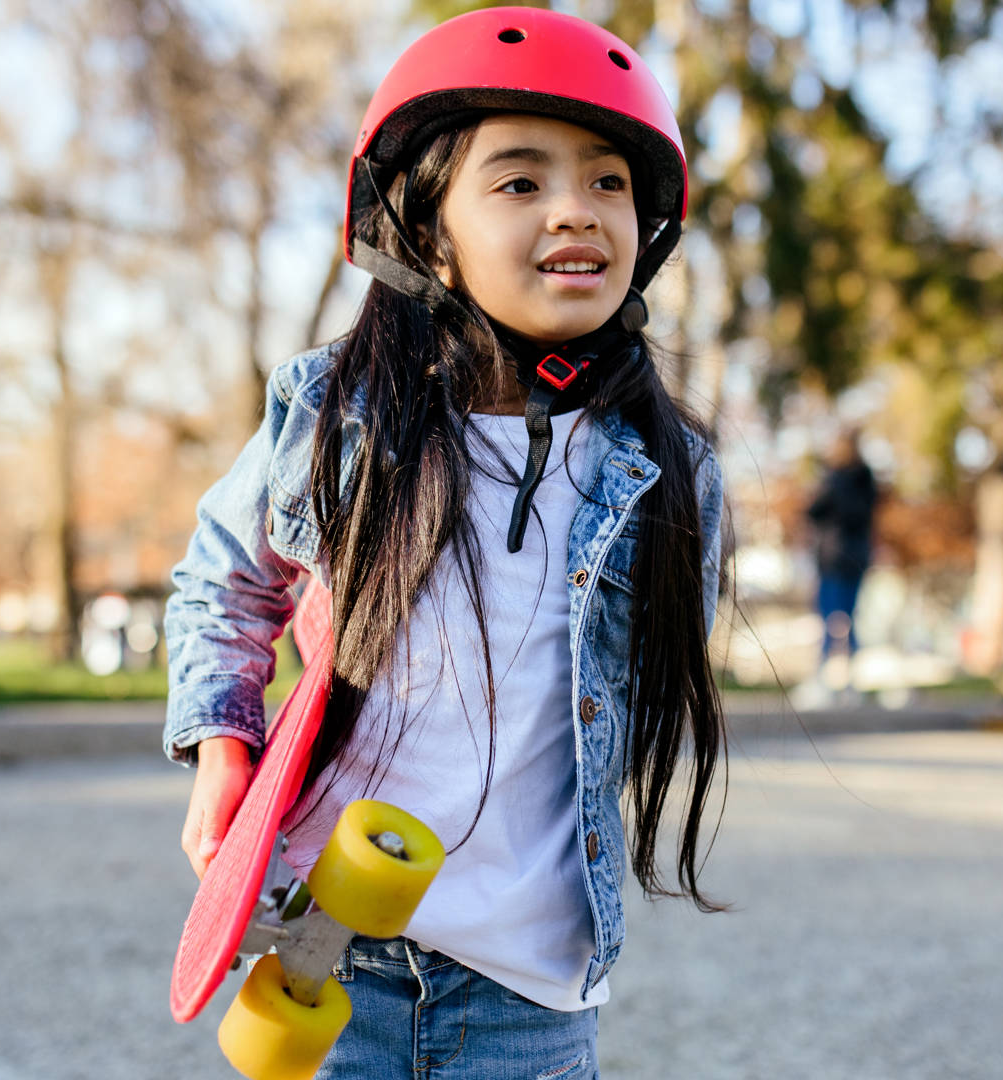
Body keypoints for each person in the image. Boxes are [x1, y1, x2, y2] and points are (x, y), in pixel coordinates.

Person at [161, 9, 727, 1077]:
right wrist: (223, 753)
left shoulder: (667, 470)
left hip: (528, 977)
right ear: (423, 231)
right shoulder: (335, 412)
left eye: (610, 182)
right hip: (328, 937)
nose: (577, 210)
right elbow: (223, 585)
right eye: (519, 182)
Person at [807, 428, 878, 664]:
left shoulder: (846, 479)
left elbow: (817, 510)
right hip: (843, 556)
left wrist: (833, 489)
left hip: (842, 557)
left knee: (838, 616)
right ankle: (839, 669)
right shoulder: (850, 479)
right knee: (839, 615)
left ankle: (838, 669)